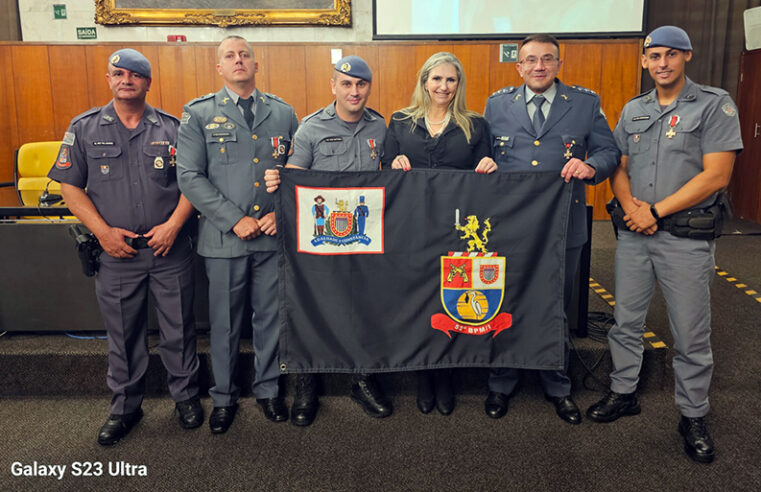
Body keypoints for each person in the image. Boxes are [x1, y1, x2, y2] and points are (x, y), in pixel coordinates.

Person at [586, 26, 742, 463]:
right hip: (636, 236)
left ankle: (692, 414)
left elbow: (716, 176)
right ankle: (623, 392)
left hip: (685, 239)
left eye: (671, 55)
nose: (663, 63)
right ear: (644, 61)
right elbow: (618, 163)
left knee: (691, 332)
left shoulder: (713, 104)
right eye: (654, 56)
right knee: (626, 321)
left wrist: (654, 212)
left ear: (687, 56)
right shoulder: (634, 110)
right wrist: (632, 208)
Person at [48, 49, 201, 445]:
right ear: (108, 79)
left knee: (179, 328)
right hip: (117, 253)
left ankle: (185, 397)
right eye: (118, 73)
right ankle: (125, 407)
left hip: (170, 248)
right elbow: (69, 185)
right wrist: (102, 233)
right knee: (122, 333)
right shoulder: (83, 128)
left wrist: (172, 226)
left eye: (135, 74)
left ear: (148, 82)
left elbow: (193, 183)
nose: (126, 80)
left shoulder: (174, 129)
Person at [482, 34, 619, 424]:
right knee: (504, 303)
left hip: (563, 225)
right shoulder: (497, 104)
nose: (538, 66)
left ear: (559, 63)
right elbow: (483, 154)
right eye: (530, 60)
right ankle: (501, 381)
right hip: (508, 228)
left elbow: (609, 151)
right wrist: (487, 164)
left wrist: (590, 168)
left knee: (555, 305)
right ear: (519, 67)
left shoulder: (585, 103)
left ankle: (557, 384)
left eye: (547, 59)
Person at [176, 36, 298, 433]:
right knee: (225, 323)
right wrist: (233, 219)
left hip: (271, 235)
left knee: (270, 319)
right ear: (219, 68)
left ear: (256, 64)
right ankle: (224, 397)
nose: (238, 60)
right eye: (230, 55)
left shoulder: (283, 113)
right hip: (224, 238)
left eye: (245, 54)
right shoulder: (198, 114)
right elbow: (190, 177)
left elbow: (297, 172)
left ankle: (267, 391)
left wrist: (282, 214)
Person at [264, 56, 393, 426]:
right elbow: (293, 178)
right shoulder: (310, 128)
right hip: (318, 241)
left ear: (368, 87)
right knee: (308, 309)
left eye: (361, 85)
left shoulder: (380, 128)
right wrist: (279, 181)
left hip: (365, 238)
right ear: (333, 86)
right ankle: (306, 385)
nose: (354, 91)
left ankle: (362, 380)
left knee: (366, 310)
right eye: (347, 84)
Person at [382, 51, 497, 416]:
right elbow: (384, 169)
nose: (443, 86)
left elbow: (489, 176)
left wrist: (490, 164)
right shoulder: (400, 122)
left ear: (458, 84)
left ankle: (446, 374)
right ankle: (423, 375)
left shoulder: (475, 125)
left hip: (457, 229)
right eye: (436, 79)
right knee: (417, 301)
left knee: (453, 299)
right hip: (411, 228)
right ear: (424, 82)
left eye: (450, 80)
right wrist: (392, 163)